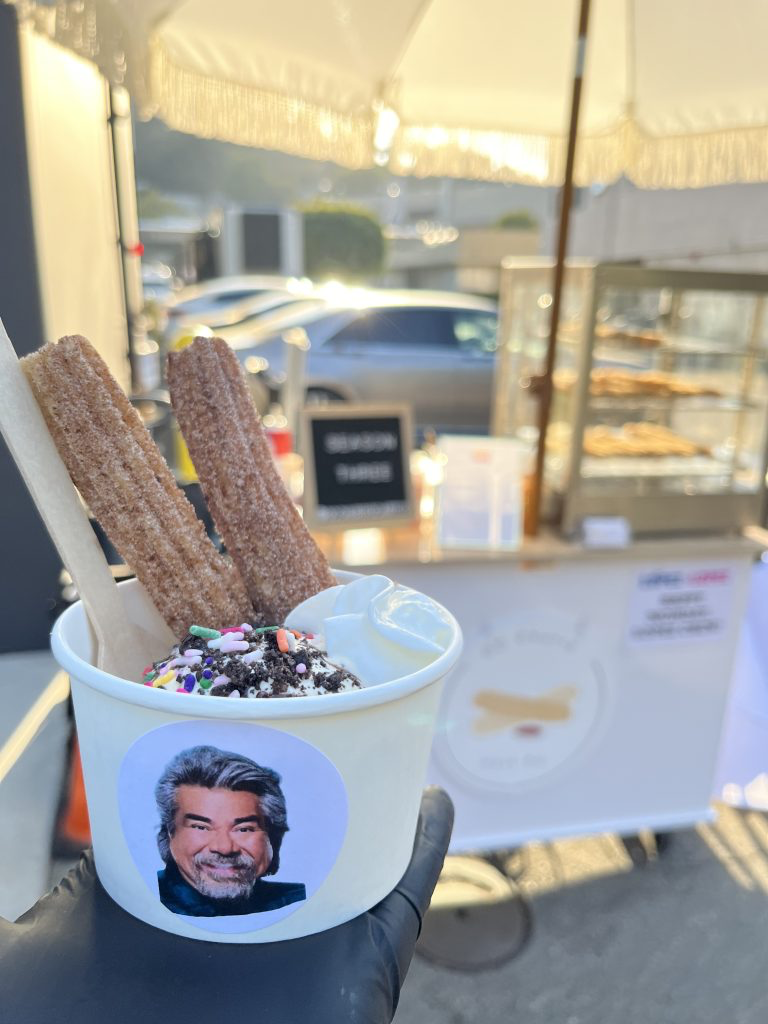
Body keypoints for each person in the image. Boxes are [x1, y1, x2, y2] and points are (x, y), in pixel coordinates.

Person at [154, 744, 306, 917]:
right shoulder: (147, 898)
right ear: (170, 833)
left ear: (271, 837)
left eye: (243, 829)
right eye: (201, 827)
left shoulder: (298, 901)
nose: (225, 848)